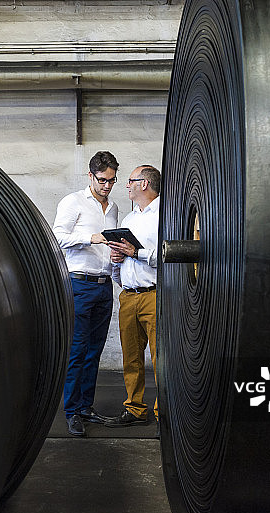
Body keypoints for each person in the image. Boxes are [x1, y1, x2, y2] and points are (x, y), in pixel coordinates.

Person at [52, 151, 119, 437]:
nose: (107, 186)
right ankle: (71, 412)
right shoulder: (73, 202)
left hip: (104, 285)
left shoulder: (113, 207)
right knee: (77, 351)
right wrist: (89, 237)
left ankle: (85, 407)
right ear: (90, 176)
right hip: (79, 284)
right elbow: (57, 237)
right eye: (102, 180)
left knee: (94, 351)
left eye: (112, 180)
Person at [105, 165, 161, 430]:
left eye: (130, 181)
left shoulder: (165, 216)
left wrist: (135, 252)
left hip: (155, 295)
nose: (126, 185)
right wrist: (116, 259)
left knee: (162, 359)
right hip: (128, 296)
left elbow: (170, 256)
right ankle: (135, 409)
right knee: (131, 357)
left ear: (144, 184)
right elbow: (122, 258)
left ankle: (164, 414)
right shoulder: (129, 219)